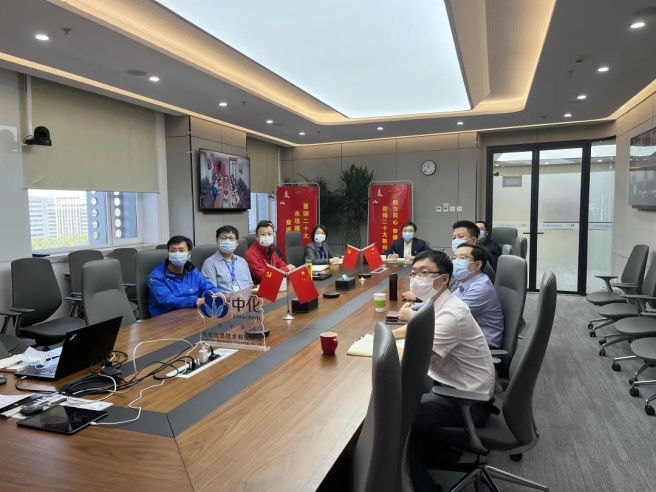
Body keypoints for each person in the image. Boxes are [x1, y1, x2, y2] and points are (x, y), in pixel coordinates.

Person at [392, 250, 495, 491]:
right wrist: (385, 336)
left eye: (425, 273)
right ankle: (435, 454)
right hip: (450, 385)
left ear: (444, 279)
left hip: (468, 401)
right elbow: (414, 332)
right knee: (402, 401)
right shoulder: (436, 304)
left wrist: (378, 349)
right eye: (414, 273)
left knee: (392, 422)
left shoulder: (451, 314)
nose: (417, 278)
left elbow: (413, 358)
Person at [147, 236, 219, 317]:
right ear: (169, 253)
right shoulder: (155, 277)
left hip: (192, 315)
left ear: (189, 253)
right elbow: (167, 300)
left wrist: (217, 294)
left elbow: (205, 285)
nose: (177, 254)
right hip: (166, 318)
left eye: (181, 250)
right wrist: (196, 301)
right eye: (173, 251)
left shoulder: (191, 270)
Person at [201, 225, 254, 294]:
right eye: (223, 238)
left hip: (248, 299)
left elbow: (251, 286)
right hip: (226, 300)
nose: (227, 241)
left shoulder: (242, 262)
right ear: (217, 241)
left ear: (237, 243)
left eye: (231, 238)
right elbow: (212, 293)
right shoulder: (210, 264)